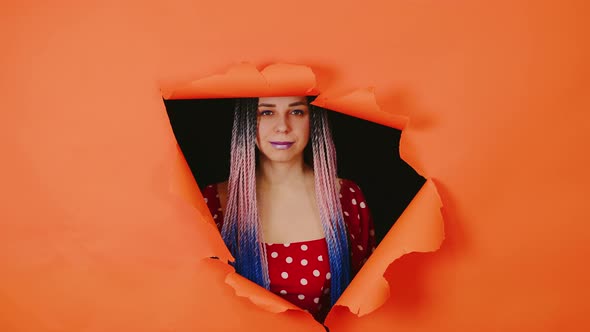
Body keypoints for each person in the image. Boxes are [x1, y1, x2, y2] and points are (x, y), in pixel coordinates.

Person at [201, 96, 375, 322]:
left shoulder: (346, 197)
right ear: (246, 120)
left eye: (296, 112)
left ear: (313, 119)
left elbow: (369, 301)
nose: (282, 126)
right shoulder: (212, 201)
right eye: (266, 112)